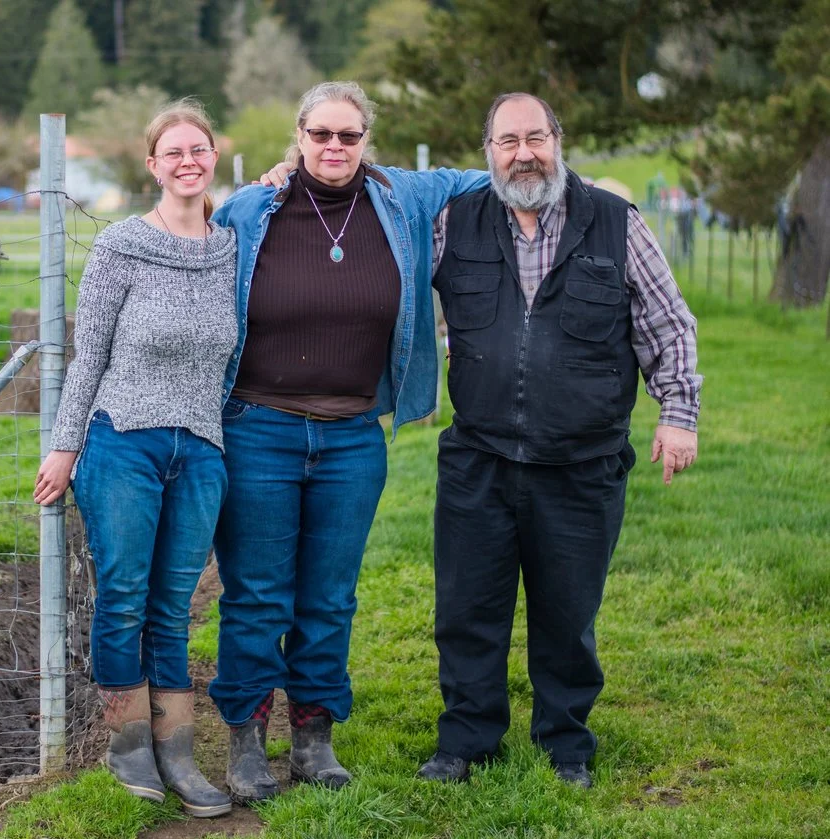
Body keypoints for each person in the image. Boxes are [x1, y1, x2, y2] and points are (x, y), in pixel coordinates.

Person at [210, 81, 487, 802]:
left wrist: (559, 174)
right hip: (258, 428)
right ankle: (245, 742)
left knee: (329, 597)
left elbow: (485, 173)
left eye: (350, 136)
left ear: (367, 141)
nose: (335, 148)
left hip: (353, 437)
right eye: (322, 135)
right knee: (257, 595)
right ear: (298, 136)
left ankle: (313, 739)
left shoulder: (402, 201)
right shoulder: (250, 209)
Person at [417, 93, 701, 789]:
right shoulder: (455, 221)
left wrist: (678, 414)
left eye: (536, 137)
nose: (524, 153)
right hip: (479, 455)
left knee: (568, 613)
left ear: (557, 140)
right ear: (488, 151)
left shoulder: (615, 223)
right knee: (466, 610)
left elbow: (669, 324)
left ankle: (565, 742)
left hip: (583, 461)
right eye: (508, 140)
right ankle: (467, 739)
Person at [33, 99, 237, 818]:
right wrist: (65, 445)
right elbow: (89, 356)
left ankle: (178, 752)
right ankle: (129, 748)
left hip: (202, 450)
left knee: (174, 606)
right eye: (173, 151)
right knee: (123, 597)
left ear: (214, 157)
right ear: (153, 165)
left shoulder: (230, 246)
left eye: (199, 149)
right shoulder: (122, 244)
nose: (188, 161)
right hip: (124, 441)